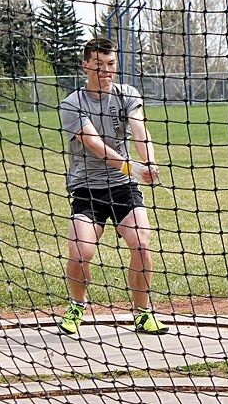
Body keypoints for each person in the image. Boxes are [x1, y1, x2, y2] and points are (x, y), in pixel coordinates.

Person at [59, 37, 169, 336]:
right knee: (80, 252)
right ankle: (77, 306)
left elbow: (139, 128)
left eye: (111, 65)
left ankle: (143, 313)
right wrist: (130, 165)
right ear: (85, 65)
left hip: (123, 187)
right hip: (87, 190)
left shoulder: (127, 94)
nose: (106, 71)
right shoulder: (72, 103)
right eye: (99, 65)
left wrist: (149, 162)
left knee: (142, 244)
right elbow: (93, 143)